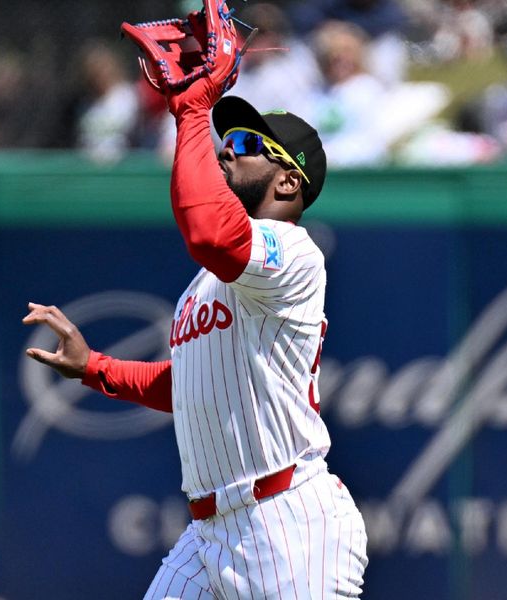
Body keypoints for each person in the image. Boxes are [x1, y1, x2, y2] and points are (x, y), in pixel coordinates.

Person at [22, 64, 369, 598]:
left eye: (248, 143)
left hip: (288, 524)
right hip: (209, 529)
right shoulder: (208, 281)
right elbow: (191, 386)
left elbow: (209, 231)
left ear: (287, 179)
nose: (226, 149)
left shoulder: (295, 251)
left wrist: (192, 108)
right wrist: (95, 367)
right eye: (225, 137)